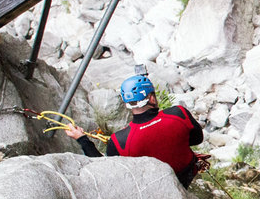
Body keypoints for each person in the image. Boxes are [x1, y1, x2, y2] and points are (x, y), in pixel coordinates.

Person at [66, 73, 206, 186]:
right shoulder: (178, 113)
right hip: (187, 176)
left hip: (155, 186)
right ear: (151, 98)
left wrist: (82, 138)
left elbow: (105, 169)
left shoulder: (119, 140)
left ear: (127, 103)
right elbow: (197, 139)